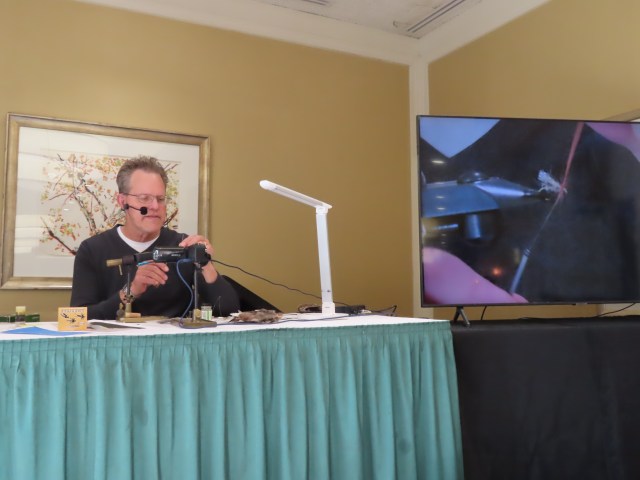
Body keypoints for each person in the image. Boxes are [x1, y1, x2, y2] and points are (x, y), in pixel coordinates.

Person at [70, 156, 240, 319]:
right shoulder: (92, 249)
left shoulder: (183, 245)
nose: (155, 206)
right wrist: (131, 291)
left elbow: (228, 310)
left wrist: (205, 263)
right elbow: (78, 317)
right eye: (144, 198)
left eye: (160, 199)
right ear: (122, 202)